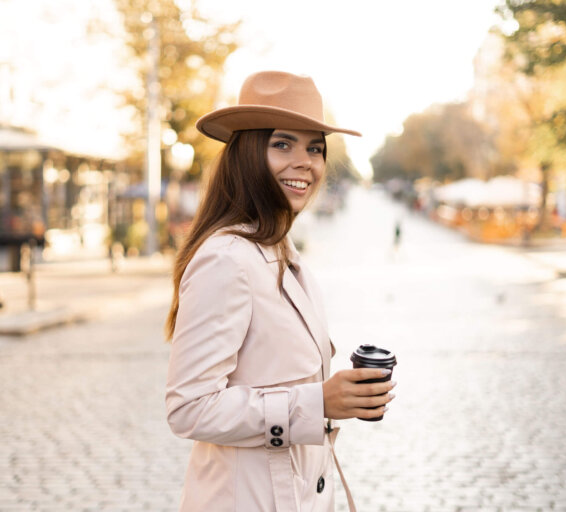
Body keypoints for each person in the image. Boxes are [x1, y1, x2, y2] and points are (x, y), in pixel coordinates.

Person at [165, 71, 397, 512]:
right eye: (283, 144)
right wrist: (317, 401)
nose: (305, 162)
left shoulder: (282, 253)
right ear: (248, 154)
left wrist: (338, 396)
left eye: (315, 148)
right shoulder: (227, 259)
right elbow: (189, 407)